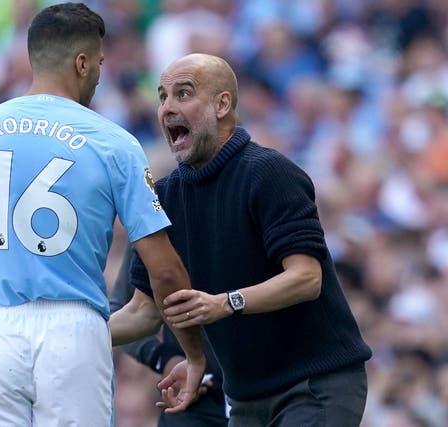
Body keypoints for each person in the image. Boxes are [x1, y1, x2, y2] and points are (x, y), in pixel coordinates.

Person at [0, 4, 205, 426]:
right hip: (73, 330)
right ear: (81, 63)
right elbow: (166, 272)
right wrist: (194, 354)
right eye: (99, 63)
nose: (100, 75)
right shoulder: (114, 143)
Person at [109, 53, 373, 426]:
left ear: (222, 104)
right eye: (162, 96)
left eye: (183, 94)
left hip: (315, 385)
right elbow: (142, 311)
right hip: (246, 398)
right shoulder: (165, 196)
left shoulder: (269, 173)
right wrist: (67, 334)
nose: (167, 107)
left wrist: (225, 303)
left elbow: (306, 278)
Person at [110, 246, 229, 427]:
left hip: (264, 394)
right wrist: (165, 359)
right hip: (192, 403)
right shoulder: (156, 222)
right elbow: (128, 310)